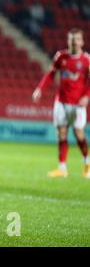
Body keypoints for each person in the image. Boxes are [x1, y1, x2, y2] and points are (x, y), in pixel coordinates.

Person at [32, 28, 90, 179]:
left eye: (77, 39)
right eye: (71, 39)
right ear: (68, 40)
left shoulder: (86, 60)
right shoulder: (61, 57)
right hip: (61, 102)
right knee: (61, 133)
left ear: (82, 41)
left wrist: (87, 96)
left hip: (78, 104)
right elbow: (50, 74)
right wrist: (39, 89)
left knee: (79, 134)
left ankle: (87, 163)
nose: (74, 42)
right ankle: (62, 168)